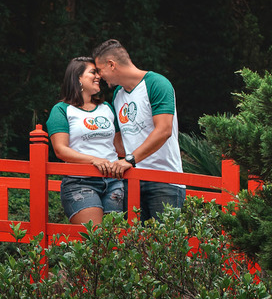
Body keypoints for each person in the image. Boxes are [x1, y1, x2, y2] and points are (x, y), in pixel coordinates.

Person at [91, 39, 184, 221]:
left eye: (100, 70)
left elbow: (164, 130)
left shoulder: (156, 83)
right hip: (132, 179)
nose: (100, 76)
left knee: (166, 246)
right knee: (134, 246)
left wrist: (130, 159)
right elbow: (117, 140)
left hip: (164, 180)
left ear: (112, 65)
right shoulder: (118, 95)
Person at [46, 56, 127, 226]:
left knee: (115, 243)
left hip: (113, 180)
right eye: (93, 72)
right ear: (77, 78)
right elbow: (60, 149)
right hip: (80, 182)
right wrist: (94, 160)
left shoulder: (107, 108)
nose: (98, 76)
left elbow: (119, 145)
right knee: (94, 240)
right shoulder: (62, 110)